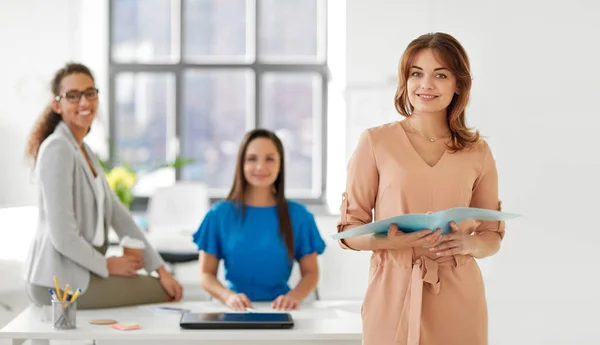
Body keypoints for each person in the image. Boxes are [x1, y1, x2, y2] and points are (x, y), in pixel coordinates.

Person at [336, 33, 506, 345]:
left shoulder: (478, 151)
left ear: (458, 85)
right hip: (393, 289)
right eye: (417, 73)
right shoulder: (375, 142)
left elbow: (492, 235)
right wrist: (388, 240)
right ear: (405, 80)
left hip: (458, 295)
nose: (425, 85)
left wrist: (468, 245)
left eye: (440, 75)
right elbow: (349, 231)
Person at [23, 62, 183, 309]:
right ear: (57, 105)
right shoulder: (57, 149)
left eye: (90, 93)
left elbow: (121, 217)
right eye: (73, 96)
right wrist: (107, 265)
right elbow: (62, 235)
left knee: (162, 285)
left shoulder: (85, 151)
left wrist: (160, 268)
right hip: (57, 281)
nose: (84, 102)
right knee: (160, 291)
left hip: (81, 272)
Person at [193, 129, 326, 311]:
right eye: (252, 159)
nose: (260, 167)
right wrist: (228, 297)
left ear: (280, 164)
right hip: (232, 310)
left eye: (269, 159)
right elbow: (206, 274)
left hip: (280, 310)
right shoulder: (218, 215)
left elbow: (310, 272)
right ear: (241, 164)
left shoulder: (299, 216)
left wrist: (294, 297)